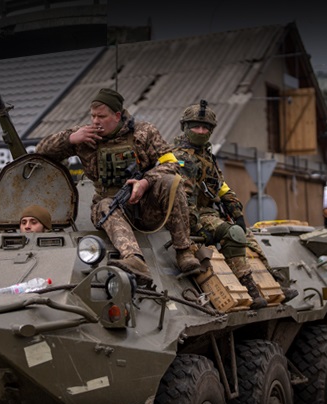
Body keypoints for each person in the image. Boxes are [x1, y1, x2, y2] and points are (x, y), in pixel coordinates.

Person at [36, 88, 200, 285]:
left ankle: (183, 251)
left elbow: (172, 164)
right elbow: (41, 150)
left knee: (172, 182)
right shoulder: (85, 137)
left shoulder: (144, 132)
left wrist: (145, 182)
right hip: (111, 208)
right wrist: (70, 139)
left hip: (145, 205)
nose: (96, 121)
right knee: (105, 205)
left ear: (117, 115)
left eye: (102, 116)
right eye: (93, 116)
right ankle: (134, 259)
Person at [171, 100, 297, 308]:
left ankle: (271, 283)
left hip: (209, 211)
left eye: (205, 128)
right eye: (196, 127)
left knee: (245, 233)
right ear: (185, 127)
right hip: (192, 215)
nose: (200, 131)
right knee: (234, 234)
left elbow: (219, 186)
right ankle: (251, 289)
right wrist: (197, 228)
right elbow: (184, 199)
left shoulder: (206, 156)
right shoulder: (180, 158)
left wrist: (235, 210)